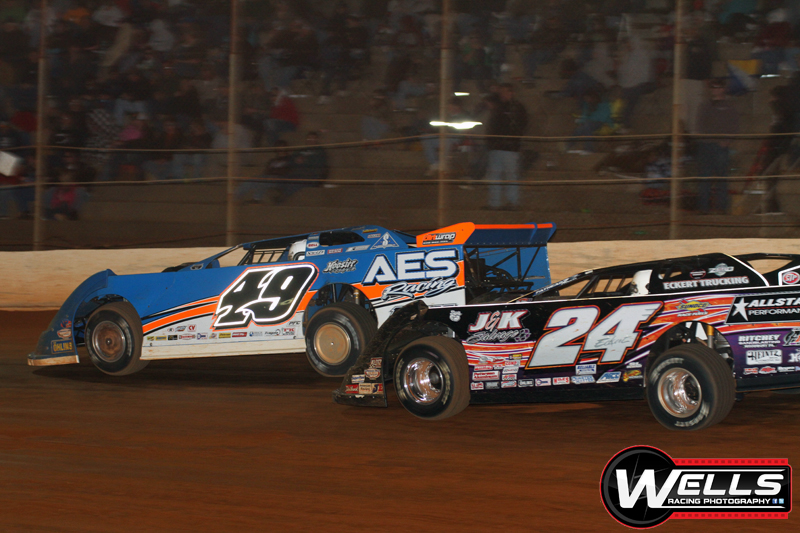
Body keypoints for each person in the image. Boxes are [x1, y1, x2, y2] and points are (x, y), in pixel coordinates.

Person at [695, 78, 739, 214]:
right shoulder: (704, 105)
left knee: (721, 177)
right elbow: (700, 125)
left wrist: (727, 140)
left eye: (718, 87)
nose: (715, 90)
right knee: (704, 177)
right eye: (713, 87)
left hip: (720, 146)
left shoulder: (729, 106)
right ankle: (703, 208)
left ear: (723, 89)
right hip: (705, 145)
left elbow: (734, 126)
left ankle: (721, 207)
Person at [484, 83, 528, 210]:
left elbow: (520, 126)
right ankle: (495, 203)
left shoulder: (516, 107)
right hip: (496, 146)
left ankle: (512, 202)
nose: (502, 94)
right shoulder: (498, 106)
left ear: (511, 92)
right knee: (495, 176)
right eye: (501, 92)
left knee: (510, 175)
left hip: (509, 147)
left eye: (505, 91)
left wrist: (512, 140)